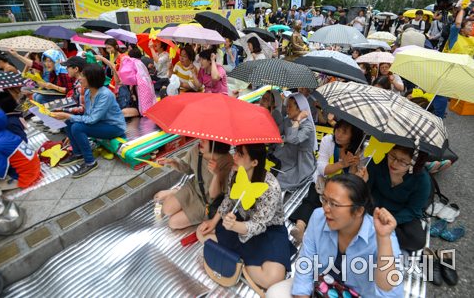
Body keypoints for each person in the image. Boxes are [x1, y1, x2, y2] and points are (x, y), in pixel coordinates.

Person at [266, 174, 403, 298]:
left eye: (334, 204)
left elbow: (389, 291)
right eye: (324, 200)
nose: (326, 208)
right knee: (274, 293)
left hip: (360, 294)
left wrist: (384, 238)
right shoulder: (318, 217)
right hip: (321, 285)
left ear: (358, 211)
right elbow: (305, 263)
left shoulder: (383, 236)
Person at [198, 144, 296, 294]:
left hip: (267, 229)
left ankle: (235, 261)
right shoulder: (235, 172)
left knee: (274, 279)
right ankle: (243, 263)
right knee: (201, 232)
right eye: (236, 152)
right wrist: (214, 221)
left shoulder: (270, 187)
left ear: (255, 162)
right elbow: (229, 200)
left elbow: (259, 225)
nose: (235, 157)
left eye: (241, 154)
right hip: (240, 221)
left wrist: (234, 226)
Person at [290, 120, 364, 244]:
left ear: (353, 136)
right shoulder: (328, 141)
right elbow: (322, 169)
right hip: (323, 181)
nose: (338, 134)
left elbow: (352, 179)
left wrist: (354, 166)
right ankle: (300, 227)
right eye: (338, 129)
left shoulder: (359, 150)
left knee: (334, 208)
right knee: (312, 198)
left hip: (342, 187)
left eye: (344, 132)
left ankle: (325, 237)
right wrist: (342, 164)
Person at [53, 64, 126, 178]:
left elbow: (92, 119)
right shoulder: (87, 92)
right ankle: (78, 153)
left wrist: (68, 115)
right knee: (69, 122)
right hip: (100, 122)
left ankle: (90, 162)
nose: (80, 78)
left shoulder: (105, 95)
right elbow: (87, 114)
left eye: (83, 76)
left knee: (76, 127)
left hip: (114, 127)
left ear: (92, 78)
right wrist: (66, 115)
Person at [358, 145, 430, 251]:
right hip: (373, 207)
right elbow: (366, 193)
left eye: (402, 161)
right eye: (392, 156)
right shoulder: (377, 162)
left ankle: (373, 232)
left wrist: (391, 221)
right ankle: (377, 233)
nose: (394, 163)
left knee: (416, 241)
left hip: (400, 215)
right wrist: (362, 182)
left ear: (414, 163)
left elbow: (413, 210)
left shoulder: (422, 180)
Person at [154, 140, 233, 229]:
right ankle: (175, 191)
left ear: (216, 141)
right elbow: (187, 168)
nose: (201, 140)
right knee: (166, 209)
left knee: (173, 223)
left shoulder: (228, 162)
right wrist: (172, 162)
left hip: (207, 203)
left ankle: (176, 194)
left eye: (205, 139)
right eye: (201, 137)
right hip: (193, 187)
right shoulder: (196, 150)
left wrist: (216, 174)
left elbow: (214, 195)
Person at [273, 93, 317, 190]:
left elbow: (293, 139)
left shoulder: (307, 126)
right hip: (287, 157)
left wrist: (298, 120)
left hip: (300, 163)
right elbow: (276, 133)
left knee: (279, 181)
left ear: (299, 108)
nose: (287, 109)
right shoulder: (287, 120)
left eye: (290, 106)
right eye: (286, 106)